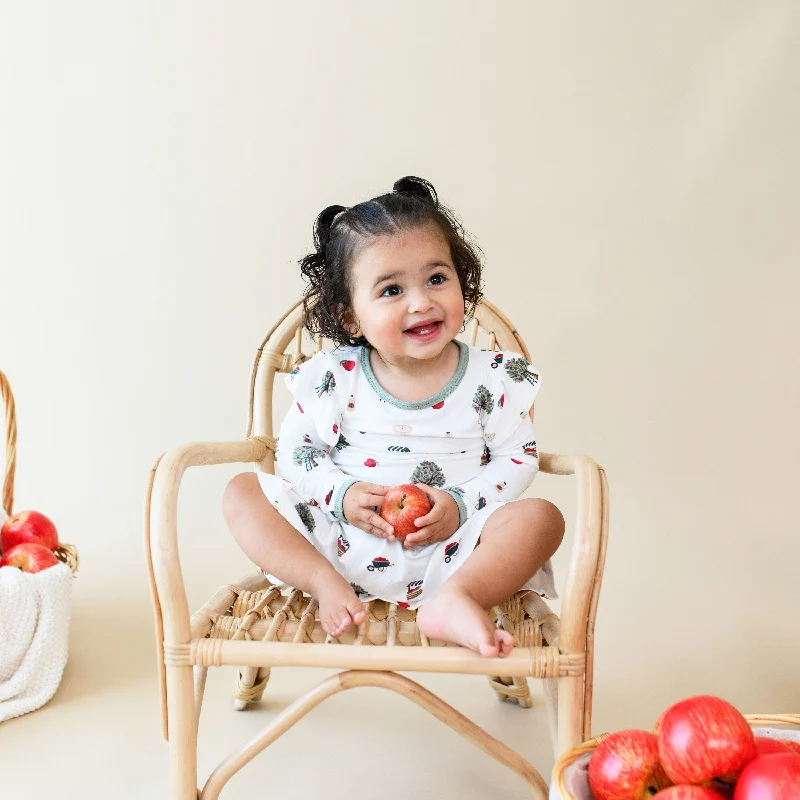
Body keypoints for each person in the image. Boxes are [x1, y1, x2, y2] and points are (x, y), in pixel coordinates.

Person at [223, 176, 565, 658]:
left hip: (459, 548)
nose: (421, 301)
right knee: (241, 493)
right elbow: (295, 453)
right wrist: (339, 495)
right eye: (391, 290)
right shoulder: (335, 377)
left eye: (436, 279)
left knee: (543, 518)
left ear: (460, 282)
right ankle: (322, 584)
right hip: (341, 542)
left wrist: (461, 506)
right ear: (350, 318)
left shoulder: (491, 379)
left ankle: (456, 600)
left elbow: (518, 457)